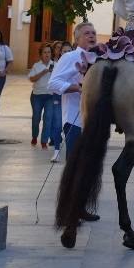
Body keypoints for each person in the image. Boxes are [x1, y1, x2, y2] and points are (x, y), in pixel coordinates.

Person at [49, 22, 98, 166]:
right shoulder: (69, 57)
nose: (91, 36)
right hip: (74, 119)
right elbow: (53, 83)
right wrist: (78, 87)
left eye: (93, 33)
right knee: (74, 164)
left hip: (95, 120)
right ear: (77, 40)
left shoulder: (101, 58)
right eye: (87, 33)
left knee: (91, 165)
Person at [28, 44, 55, 149]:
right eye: (44, 52)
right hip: (37, 95)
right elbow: (32, 79)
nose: (47, 54)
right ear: (41, 54)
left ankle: (44, 140)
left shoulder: (56, 65)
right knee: (36, 118)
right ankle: (34, 136)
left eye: (49, 52)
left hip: (50, 95)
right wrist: (44, 72)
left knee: (48, 117)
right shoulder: (36, 65)